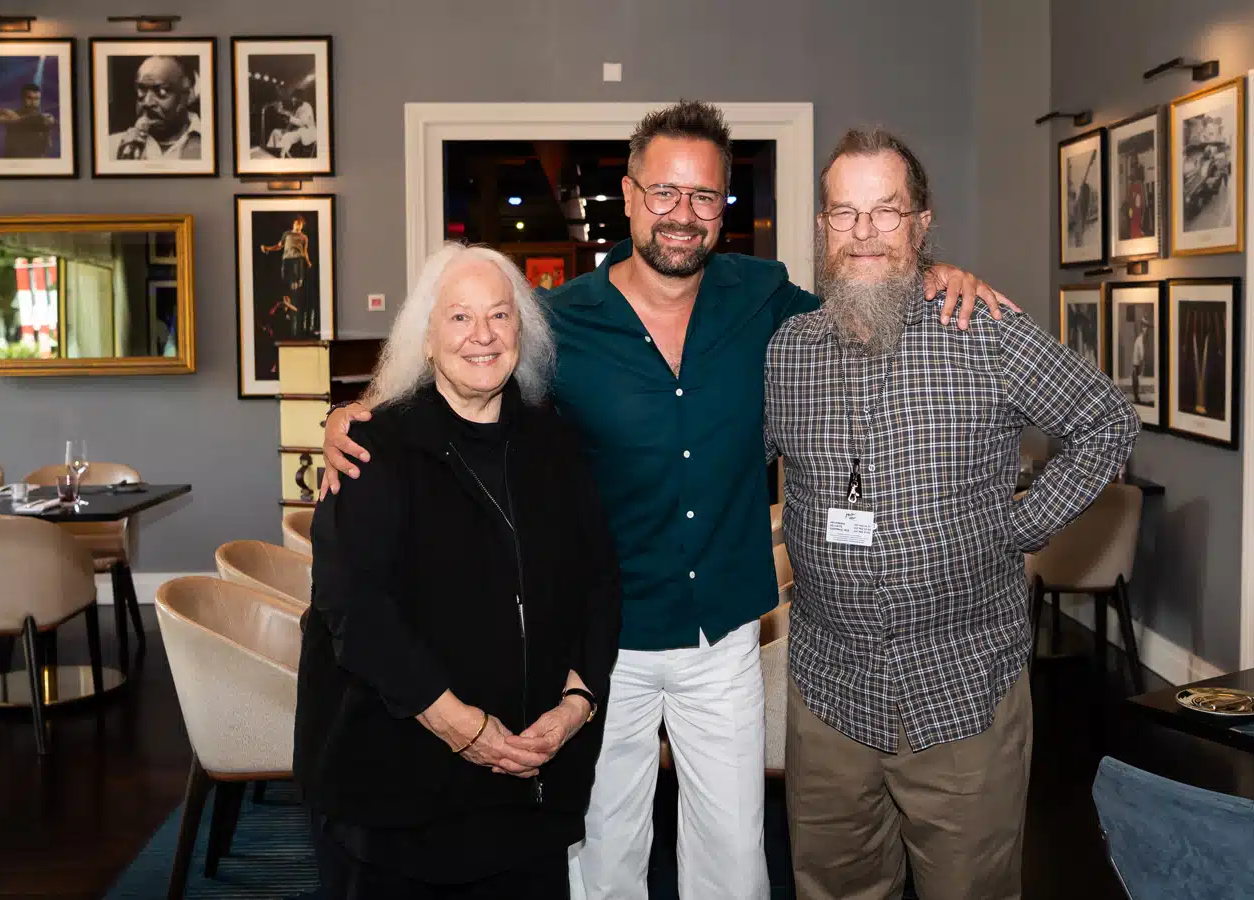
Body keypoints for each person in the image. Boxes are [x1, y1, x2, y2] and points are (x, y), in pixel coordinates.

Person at [321, 101, 1016, 900]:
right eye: (664, 193)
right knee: (604, 842)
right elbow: (462, 378)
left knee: (732, 849)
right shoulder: (557, 322)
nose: (682, 216)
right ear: (628, 193)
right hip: (598, 641)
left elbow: (864, 306)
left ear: (726, 206)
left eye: (704, 197)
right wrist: (353, 410)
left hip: (721, 629)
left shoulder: (767, 301)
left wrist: (929, 270)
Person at [766, 128, 1138, 900]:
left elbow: (1106, 420)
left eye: (886, 211)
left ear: (921, 224)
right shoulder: (786, 353)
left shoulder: (985, 330)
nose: (864, 232)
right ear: (821, 227)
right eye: (844, 213)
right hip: (830, 694)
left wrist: (1022, 526)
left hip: (962, 694)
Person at [296, 243, 622, 898]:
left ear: (520, 332)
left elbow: (599, 583)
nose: (482, 336)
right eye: (460, 318)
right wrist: (462, 727)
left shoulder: (554, 444)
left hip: (528, 786)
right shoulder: (372, 448)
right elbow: (354, 612)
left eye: (499, 316)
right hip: (401, 797)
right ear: (427, 337)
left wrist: (577, 705)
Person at [112, 55, 203, 160]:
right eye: (142, 90)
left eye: (161, 91)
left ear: (189, 95)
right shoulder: (111, 147)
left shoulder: (211, 143)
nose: (147, 102)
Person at [0, 83, 55, 158]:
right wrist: (4, 111)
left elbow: (48, 145)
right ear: (22, 98)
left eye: (36, 99)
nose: (33, 102)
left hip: (36, 162)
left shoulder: (44, 118)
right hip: (14, 161)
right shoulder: (11, 115)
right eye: (29, 98)